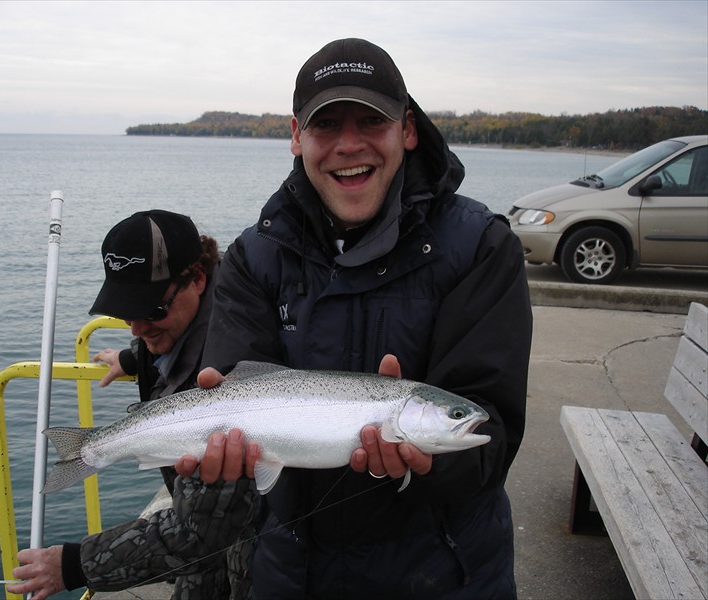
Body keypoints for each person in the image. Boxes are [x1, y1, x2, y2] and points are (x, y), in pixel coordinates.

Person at [178, 38, 533, 598]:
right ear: (296, 137)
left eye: (371, 120)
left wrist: (425, 464)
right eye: (325, 126)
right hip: (292, 578)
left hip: (448, 579)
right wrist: (226, 460)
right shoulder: (253, 258)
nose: (348, 144)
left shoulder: (482, 248)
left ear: (407, 130)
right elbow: (237, 387)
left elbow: (491, 433)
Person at [8, 210, 255, 600]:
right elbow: (164, 338)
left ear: (198, 279)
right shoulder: (189, 318)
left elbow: (197, 532)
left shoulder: (226, 370)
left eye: (152, 311)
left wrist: (74, 565)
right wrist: (131, 357)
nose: (138, 327)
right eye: (127, 313)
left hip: (248, 547)